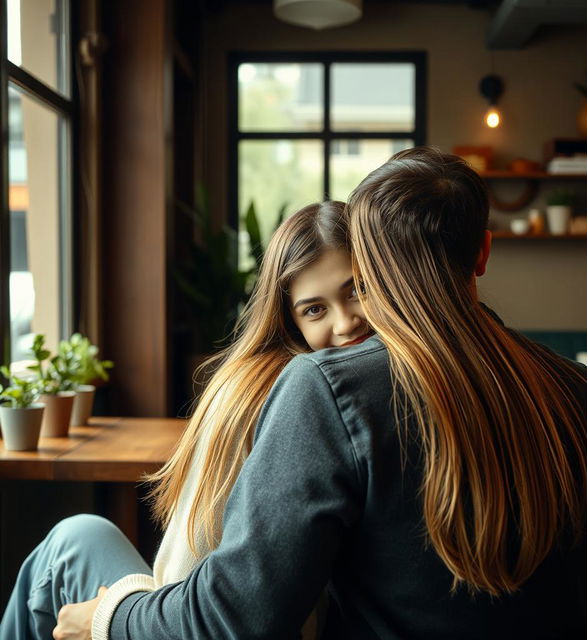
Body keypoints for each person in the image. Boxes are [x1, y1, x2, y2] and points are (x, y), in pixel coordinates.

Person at [55, 146, 587, 639]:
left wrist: (108, 615)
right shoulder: (579, 390)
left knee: (69, 552)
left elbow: (236, 619)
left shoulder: (330, 386)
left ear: (371, 265)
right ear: (484, 252)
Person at [0, 200, 373, 640]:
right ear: (289, 321)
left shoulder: (260, 394)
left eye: (357, 291)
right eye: (314, 310)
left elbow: (187, 581)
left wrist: (109, 617)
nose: (346, 322)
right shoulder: (366, 382)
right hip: (219, 614)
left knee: (72, 543)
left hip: (210, 622)